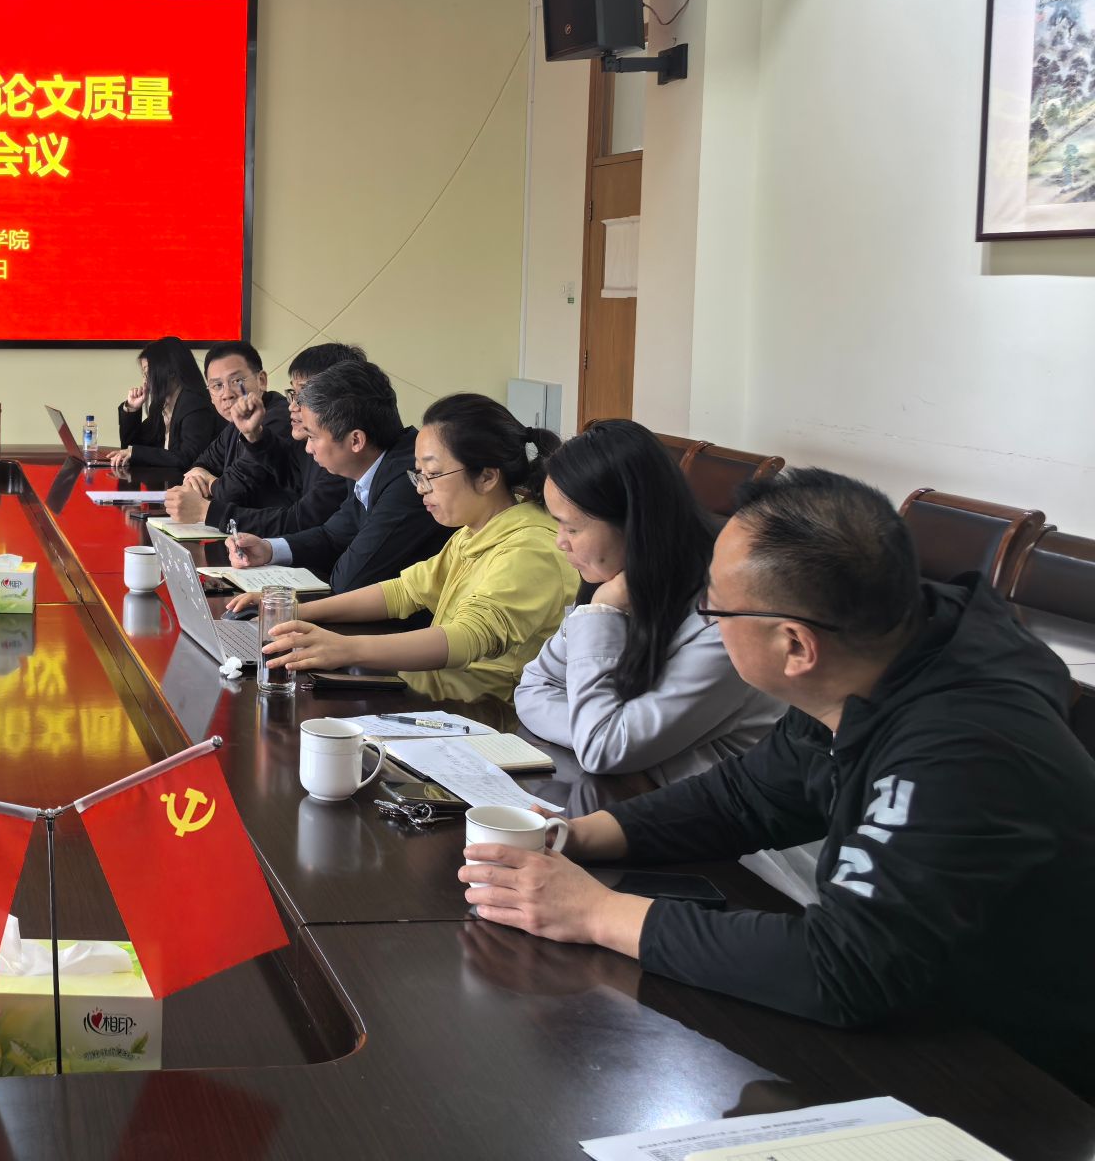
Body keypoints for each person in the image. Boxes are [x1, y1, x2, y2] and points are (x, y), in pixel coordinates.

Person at [458, 469, 1095, 1100]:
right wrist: (574, 836)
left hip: (1020, 1075)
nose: (705, 619)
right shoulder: (887, 649)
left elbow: (845, 967)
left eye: (712, 606)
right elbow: (747, 795)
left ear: (795, 645)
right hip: (920, 1012)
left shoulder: (960, 747)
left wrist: (595, 912)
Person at [516, 419, 782, 782]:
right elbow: (534, 686)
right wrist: (595, 732)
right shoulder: (617, 581)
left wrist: (601, 615)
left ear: (634, 523)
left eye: (572, 528)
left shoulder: (727, 620)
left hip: (714, 813)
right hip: (637, 792)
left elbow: (604, 748)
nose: (560, 541)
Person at [259, 392, 573, 699]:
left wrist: (345, 648)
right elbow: (405, 591)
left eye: (433, 474)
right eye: (419, 474)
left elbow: (468, 636)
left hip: (484, 713)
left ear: (487, 477)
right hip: (435, 694)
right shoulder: (474, 531)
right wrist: (294, 612)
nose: (421, 488)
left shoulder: (531, 549)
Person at [223, 358, 445, 601]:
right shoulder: (367, 462)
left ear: (356, 440)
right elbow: (333, 536)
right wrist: (268, 549)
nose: (308, 448)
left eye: (313, 437)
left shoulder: (406, 481)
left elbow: (350, 580)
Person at [163, 341, 305, 528]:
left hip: (275, 533)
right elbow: (203, 461)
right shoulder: (235, 421)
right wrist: (199, 474)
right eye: (217, 385)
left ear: (261, 380)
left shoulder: (278, 417)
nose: (227, 394)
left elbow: (232, 490)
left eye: (237, 381)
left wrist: (211, 483)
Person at [106, 336, 219, 473]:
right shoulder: (160, 404)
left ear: (171, 371)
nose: (145, 381)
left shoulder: (195, 405)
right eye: (144, 374)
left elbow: (188, 458)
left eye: (148, 372)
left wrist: (135, 453)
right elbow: (131, 447)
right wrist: (132, 408)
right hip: (167, 481)